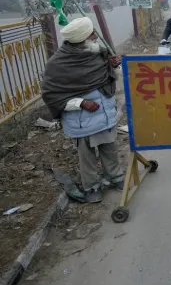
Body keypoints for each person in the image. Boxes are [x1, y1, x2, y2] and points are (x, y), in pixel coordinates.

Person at [41, 17, 124, 203]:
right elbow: (51, 95)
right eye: (91, 34)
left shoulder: (97, 52)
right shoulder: (57, 64)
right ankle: (92, 186)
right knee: (86, 157)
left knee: (109, 149)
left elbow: (112, 77)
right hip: (81, 120)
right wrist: (80, 103)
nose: (96, 36)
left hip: (104, 113)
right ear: (82, 39)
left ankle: (116, 177)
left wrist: (114, 65)